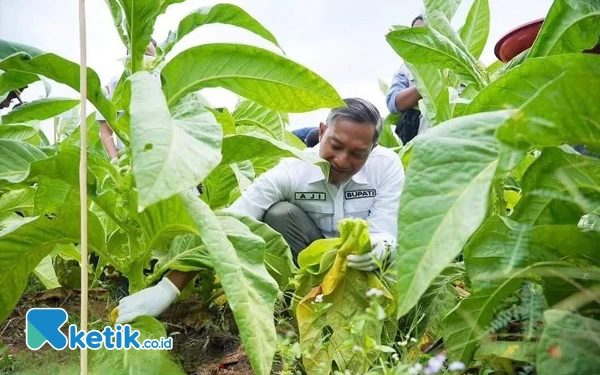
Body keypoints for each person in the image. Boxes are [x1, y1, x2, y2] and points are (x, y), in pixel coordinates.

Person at [113, 98, 406, 324]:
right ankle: (299, 298)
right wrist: (168, 289)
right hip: (309, 264)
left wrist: (382, 247)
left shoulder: (386, 166)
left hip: (363, 265)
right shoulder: (293, 170)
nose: (342, 160)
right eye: (335, 145)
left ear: (373, 148)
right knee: (278, 213)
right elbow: (231, 222)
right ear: (321, 132)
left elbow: (385, 228)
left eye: (357, 154)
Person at [98, 39, 158, 161]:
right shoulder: (115, 84)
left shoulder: (163, 82)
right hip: (128, 159)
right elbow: (104, 127)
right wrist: (114, 159)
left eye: (148, 56)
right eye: (140, 55)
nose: (144, 60)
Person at [386, 15, 428, 144]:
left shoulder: (459, 62)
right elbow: (393, 103)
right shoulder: (406, 69)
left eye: (426, 32)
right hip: (421, 140)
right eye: (416, 34)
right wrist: (428, 85)